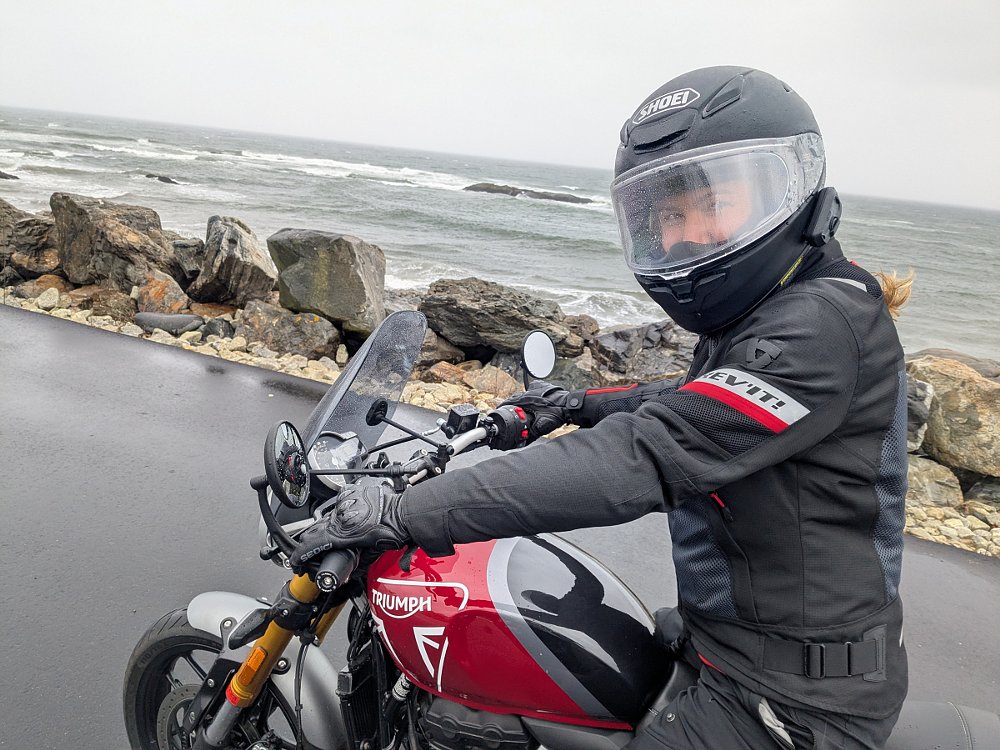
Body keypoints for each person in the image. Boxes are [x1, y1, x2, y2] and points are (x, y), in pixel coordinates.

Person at [291, 66, 913, 749]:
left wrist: (406, 512)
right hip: (736, 643)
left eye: (714, 203)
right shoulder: (776, 312)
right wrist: (567, 405)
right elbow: (693, 406)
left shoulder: (820, 328)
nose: (684, 236)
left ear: (790, 191)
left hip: (794, 702)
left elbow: (645, 456)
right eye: (668, 215)